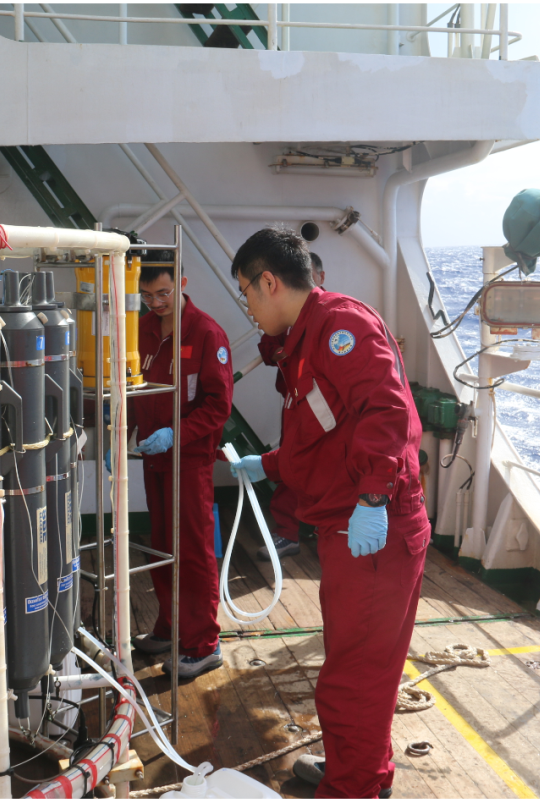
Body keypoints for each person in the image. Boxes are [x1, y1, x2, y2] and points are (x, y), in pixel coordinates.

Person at [227, 227, 428, 799]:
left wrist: (372, 500)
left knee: (353, 677)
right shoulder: (303, 340)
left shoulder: (341, 328)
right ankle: (361, 772)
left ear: (269, 282)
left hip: (375, 529)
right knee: (361, 665)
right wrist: (269, 464)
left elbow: (387, 412)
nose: (246, 305)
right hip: (350, 527)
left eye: (246, 291)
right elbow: (323, 433)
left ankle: (352, 788)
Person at [117, 262, 233, 679]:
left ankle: (204, 644)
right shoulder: (143, 327)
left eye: (163, 293)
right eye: (147, 296)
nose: (156, 303)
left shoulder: (206, 333)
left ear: (181, 283)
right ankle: (170, 626)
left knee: (193, 550)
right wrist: (122, 435)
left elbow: (218, 406)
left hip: (189, 460)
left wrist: (176, 433)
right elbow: (134, 387)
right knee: (162, 544)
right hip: (155, 457)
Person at [255, 252, 324, 560]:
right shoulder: (287, 315)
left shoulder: (333, 319)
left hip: (324, 404)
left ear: (320, 278)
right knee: (290, 463)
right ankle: (287, 532)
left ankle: (325, 529)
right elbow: (268, 345)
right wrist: (282, 353)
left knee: (326, 464)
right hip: (294, 400)